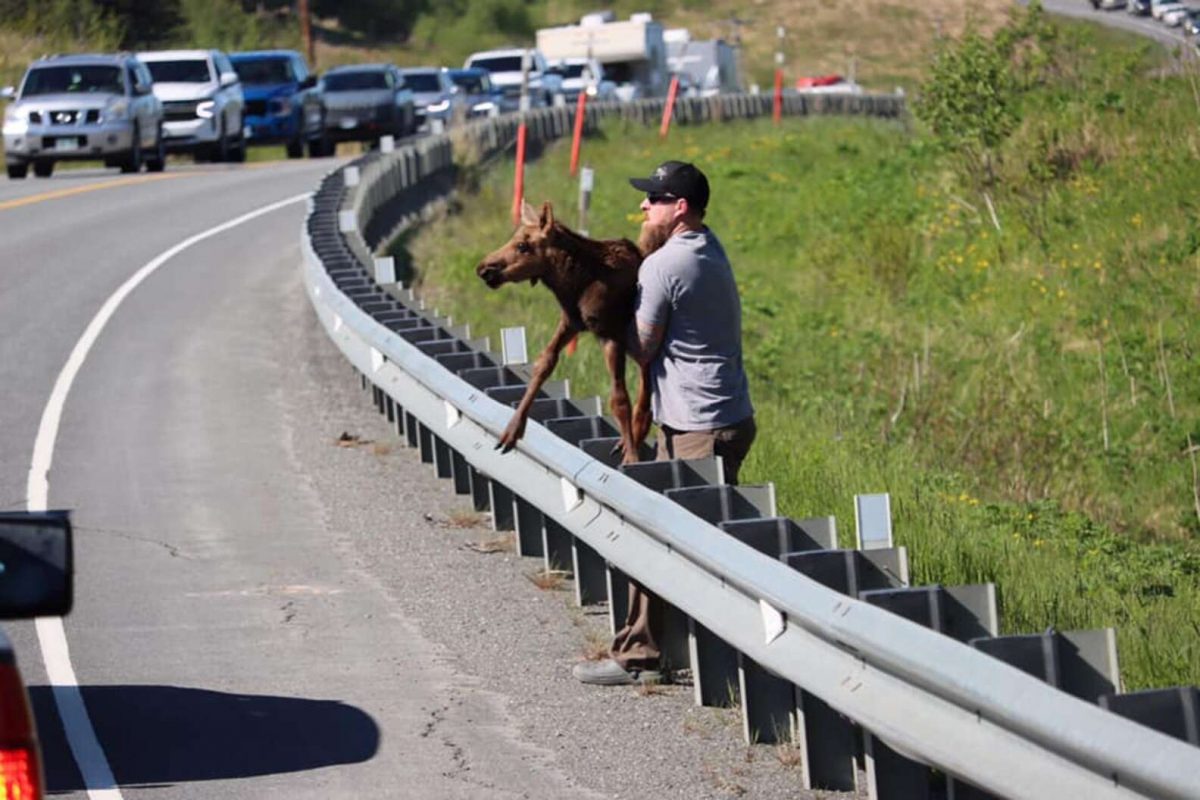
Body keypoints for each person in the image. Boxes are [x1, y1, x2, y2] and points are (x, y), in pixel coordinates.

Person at [573, 160, 756, 686]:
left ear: (680, 208)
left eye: (653, 198)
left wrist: (604, 316)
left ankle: (672, 660)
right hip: (719, 416)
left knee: (676, 543)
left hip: (700, 426)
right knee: (664, 535)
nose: (642, 206)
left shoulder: (664, 266)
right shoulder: (707, 246)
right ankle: (646, 653)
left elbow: (644, 345)